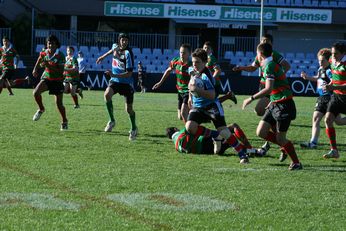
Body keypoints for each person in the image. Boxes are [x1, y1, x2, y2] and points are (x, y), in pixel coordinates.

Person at [242, 43, 302, 170]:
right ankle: (285, 145)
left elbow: (268, 89)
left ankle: (296, 162)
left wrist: (251, 98)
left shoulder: (269, 66)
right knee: (261, 132)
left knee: (281, 138)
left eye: (257, 54)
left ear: (260, 54)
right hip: (275, 102)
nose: (256, 57)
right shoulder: (269, 65)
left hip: (284, 104)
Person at [186, 48, 249, 164]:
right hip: (198, 106)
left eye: (197, 62)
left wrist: (198, 91)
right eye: (193, 62)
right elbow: (192, 83)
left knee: (224, 131)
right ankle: (216, 135)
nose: (194, 65)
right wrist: (190, 97)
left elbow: (212, 95)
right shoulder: (192, 69)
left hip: (212, 106)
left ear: (205, 63)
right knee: (190, 127)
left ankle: (241, 153)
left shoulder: (206, 76)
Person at [233, 34, 291, 157]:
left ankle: (279, 142)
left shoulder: (273, 55)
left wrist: (278, 76)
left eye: (267, 41)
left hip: (271, 89)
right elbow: (253, 68)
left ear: (271, 43)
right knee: (261, 112)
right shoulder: (260, 55)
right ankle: (278, 141)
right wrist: (241, 68)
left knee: (260, 110)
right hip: (264, 86)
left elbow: (287, 65)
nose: (265, 42)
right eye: (263, 40)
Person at [300, 48, 346, 149]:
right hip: (322, 98)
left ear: (328, 60)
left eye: (322, 60)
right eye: (319, 60)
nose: (320, 62)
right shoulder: (321, 69)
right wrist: (307, 77)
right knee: (316, 118)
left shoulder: (331, 70)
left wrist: (329, 83)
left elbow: (335, 81)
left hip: (330, 98)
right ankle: (313, 143)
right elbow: (318, 77)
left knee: (338, 121)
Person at [96, 33, 138, 141]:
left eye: (126, 40)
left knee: (129, 110)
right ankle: (111, 121)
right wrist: (102, 57)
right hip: (115, 81)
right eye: (122, 40)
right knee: (106, 94)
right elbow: (111, 51)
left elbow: (129, 74)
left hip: (126, 83)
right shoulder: (115, 47)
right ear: (119, 41)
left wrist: (114, 74)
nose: (124, 42)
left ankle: (134, 128)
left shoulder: (128, 53)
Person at [32, 35, 68, 131]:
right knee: (36, 93)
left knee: (59, 104)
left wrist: (48, 65)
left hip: (57, 80)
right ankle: (41, 109)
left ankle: (64, 121)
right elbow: (39, 59)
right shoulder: (44, 52)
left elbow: (60, 72)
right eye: (49, 43)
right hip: (47, 78)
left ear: (56, 45)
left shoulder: (60, 55)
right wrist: (35, 68)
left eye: (52, 43)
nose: (50, 45)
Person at [166, 123, 264, 156]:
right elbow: (196, 129)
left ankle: (256, 151)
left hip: (206, 151)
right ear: (175, 129)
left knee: (229, 143)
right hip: (206, 142)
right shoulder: (182, 132)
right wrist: (216, 133)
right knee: (233, 128)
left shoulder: (176, 145)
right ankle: (251, 149)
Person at [152, 44, 192, 123]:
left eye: (184, 53)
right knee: (180, 117)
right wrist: (160, 82)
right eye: (180, 52)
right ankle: (193, 123)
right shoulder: (176, 61)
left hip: (188, 91)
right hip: (180, 91)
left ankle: (190, 132)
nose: (182, 55)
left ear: (189, 53)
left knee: (184, 113)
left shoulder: (192, 65)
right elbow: (168, 70)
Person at [322, 42, 346, 159]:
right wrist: (330, 84)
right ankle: (334, 150)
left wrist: (334, 87)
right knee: (328, 120)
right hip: (336, 97)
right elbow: (334, 77)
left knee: (339, 121)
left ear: (343, 53)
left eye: (336, 53)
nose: (333, 56)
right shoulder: (332, 60)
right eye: (332, 53)